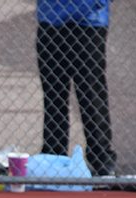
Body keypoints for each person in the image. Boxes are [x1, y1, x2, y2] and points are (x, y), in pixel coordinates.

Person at [36, 0, 116, 177]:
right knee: (53, 93)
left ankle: (101, 159)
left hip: (90, 21)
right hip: (51, 19)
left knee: (91, 92)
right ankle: (53, 156)